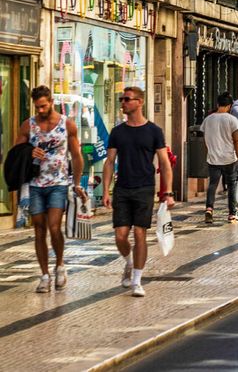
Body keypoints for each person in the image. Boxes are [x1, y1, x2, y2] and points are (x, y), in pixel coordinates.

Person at [101, 86, 173, 298]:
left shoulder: (153, 131)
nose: (123, 103)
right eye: (121, 99)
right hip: (122, 188)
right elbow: (109, 161)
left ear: (139, 102)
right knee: (120, 236)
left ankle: (137, 280)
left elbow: (164, 163)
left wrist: (167, 192)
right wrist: (106, 190)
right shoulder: (117, 132)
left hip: (144, 188)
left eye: (127, 99)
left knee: (140, 233)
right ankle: (129, 262)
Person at [14, 85, 85, 293]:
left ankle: (60, 266)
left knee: (54, 226)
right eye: (37, 107)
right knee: (38, 228)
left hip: (59, 183)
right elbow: (16, 152)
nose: (41, 111)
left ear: (51, 101)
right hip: (35, 184)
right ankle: (44, 274)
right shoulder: (28, 125)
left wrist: (77, 182)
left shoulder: (67, 125)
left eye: (44, 106)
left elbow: (76, 155)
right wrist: (29, 152)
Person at [200, 93, 238, 224]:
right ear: (230, 106)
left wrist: (211, 150)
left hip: (213, 158)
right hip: (229, 158)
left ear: (217, 104)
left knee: (213, 184)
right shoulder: (232, 120)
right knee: (232, 185)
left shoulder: (208, 120)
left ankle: (209, 208)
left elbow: (205, 139)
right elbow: (237, 141)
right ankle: (232, 213)